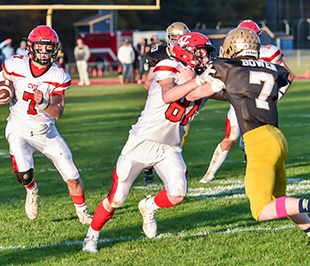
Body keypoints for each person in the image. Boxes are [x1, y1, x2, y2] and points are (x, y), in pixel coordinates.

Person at [82, 32, 215, 253]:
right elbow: (168, 95)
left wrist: (222, 79)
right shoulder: (167, 66)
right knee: (116, 199)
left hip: (169, 146)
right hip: (142, 141)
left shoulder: (200, 74)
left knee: (178, 193)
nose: (204, 58)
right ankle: (91, 235)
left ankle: (148, 205)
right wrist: (198, 80)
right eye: (200, 52)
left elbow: (204, 91)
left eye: (205, 53)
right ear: (186, 52)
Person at [185, 27, 310, 245]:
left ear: (233, 47)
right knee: (280, 200)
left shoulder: (228, 66)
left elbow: (193, 94)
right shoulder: (272, 68)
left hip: (259, 141)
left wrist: (192, 84)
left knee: (260, 209)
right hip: (277, 138)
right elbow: (243, 92)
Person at [0, 25, 92, 225]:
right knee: (24, 175)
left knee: (72, 176)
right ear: (31, 47)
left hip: (46, 132)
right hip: (18, 128)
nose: (44, 52)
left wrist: (44, 103)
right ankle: (32, 190)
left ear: (55, 48)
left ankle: (83, 211)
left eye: (48, 47)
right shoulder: (15, 64)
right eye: (40, 47)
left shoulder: (58, 75)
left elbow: (58, 113)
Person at [199, 19, 294, 183]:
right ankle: (209, 174)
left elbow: (287, 74)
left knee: (250, 139)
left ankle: (256, 167)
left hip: (255, 101)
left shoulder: (266, 53)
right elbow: (287, 75)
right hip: (242, 99)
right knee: (232, 137)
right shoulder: (248, 53)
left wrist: (275, 96)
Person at [142, 22, 190, 184]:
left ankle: (172, 168)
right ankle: (148, 166)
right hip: (160, 103)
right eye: (174, 38)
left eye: (180, 38)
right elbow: (148, 82)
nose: (176, 41)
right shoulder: (160, 54)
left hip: (181, 104)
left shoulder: (190, 54)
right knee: (153, 136)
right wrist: (168, 85)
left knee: (178, 136)